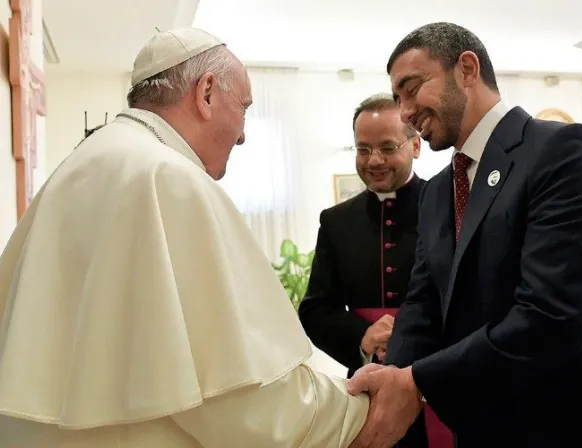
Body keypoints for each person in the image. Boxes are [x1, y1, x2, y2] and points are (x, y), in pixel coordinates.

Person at [0, 27, 369, 447]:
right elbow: (238, 400)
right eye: (244, 108)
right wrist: (353, 407)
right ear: (206, 92)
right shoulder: (168, 177)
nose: (244, 133)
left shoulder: (83, 162)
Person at [347, 22, 582, 448]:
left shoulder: (562, 151)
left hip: (573, 423)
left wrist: (416, 381)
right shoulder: (438, 192)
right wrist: (391, 379)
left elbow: (551, 316)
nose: (405, 113)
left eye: (412, 88)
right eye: (398, 99)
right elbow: (422, 304)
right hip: (483, 427)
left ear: (467, 69)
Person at [299, 94, 451, 447]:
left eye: (387, 147)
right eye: (363, 149)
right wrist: (362, 337)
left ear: (415, 146)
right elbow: (315, 310)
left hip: (440, 378)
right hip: (370, 387)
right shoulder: (336, 221)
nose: (374, 160)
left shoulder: (450, 208)